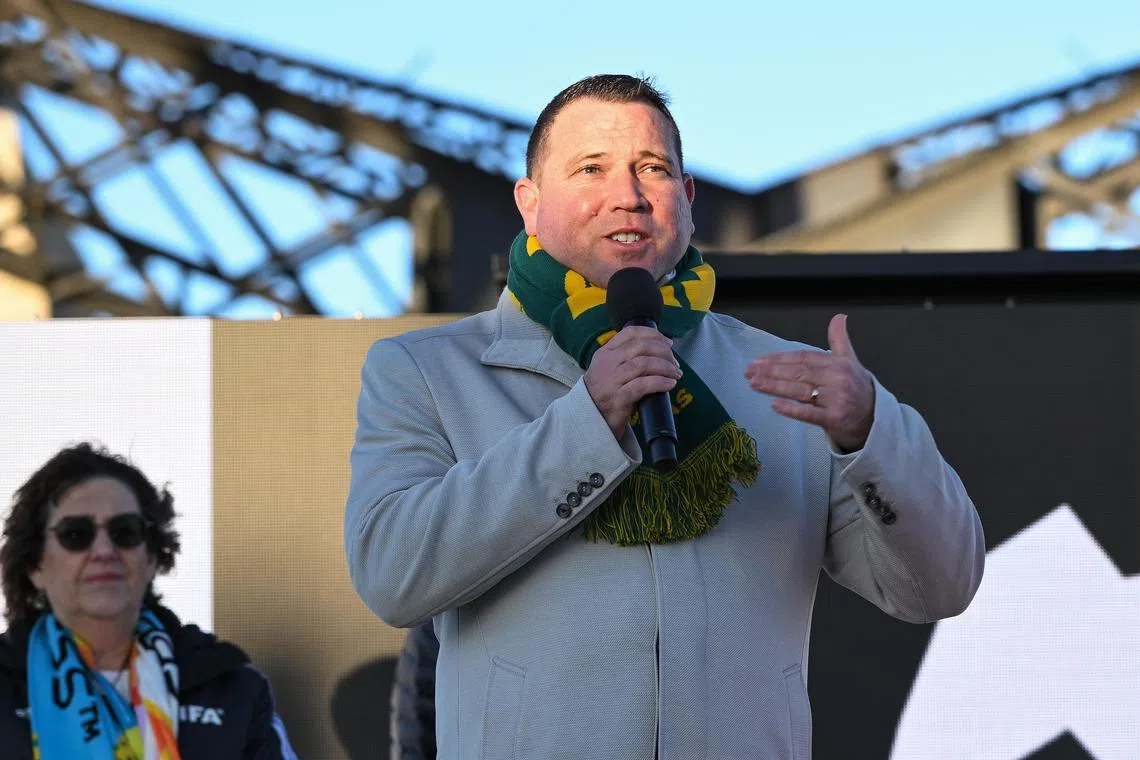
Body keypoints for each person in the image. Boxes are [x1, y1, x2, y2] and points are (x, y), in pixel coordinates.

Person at [345, 74, 985, 759]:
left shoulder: (784, 379)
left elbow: (940, 587)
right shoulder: (427, 370)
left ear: (685, 200)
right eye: (591, 168)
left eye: (652, 168)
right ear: (530, 205)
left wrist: (874, 433)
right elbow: (392, 575)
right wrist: (587, 425)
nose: (628, 194)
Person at [0, 442, 299, 759]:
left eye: (125, 531)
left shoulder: (233, 689)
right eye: (76, 534)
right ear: (34, 565)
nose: (104, 551)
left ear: (152, 557)